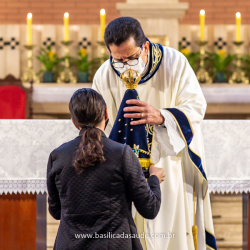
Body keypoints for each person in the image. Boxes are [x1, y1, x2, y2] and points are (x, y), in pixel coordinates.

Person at [92, 17, 217, 250]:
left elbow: (196, 106)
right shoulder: (104, 74)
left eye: (130, 58)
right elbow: (97, 124)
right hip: (121, 171)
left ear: (145, 46)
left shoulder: (175, 63)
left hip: (167, 164)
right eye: (117, 60)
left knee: (166, 232)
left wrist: (162, 116)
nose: (124, 66)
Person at [47, 88, 165, 250]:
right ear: (106, 114)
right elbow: (150, 208)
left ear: (74, 121)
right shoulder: (122, 153)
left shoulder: (57, 156)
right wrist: (154, 179)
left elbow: (55, 211)